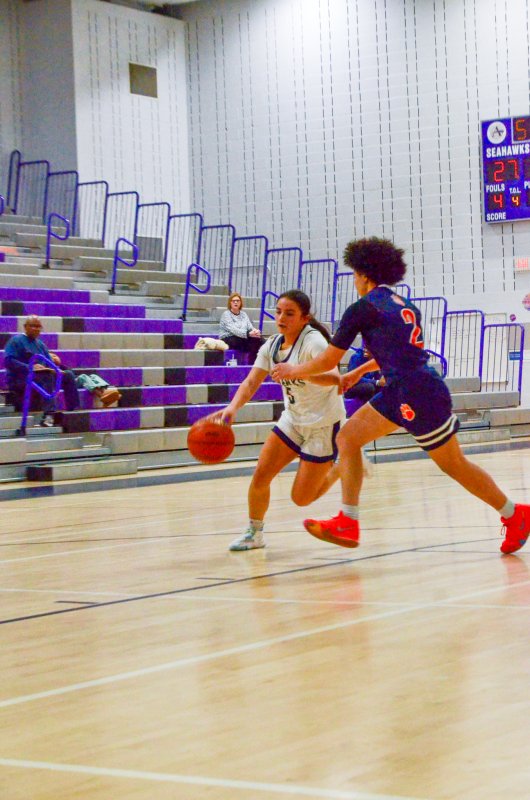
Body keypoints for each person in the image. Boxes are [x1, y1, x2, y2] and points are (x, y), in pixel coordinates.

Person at [271, 237, 530, 556]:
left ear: (364, 274)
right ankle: (348, 521)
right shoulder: (404, 305)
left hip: (415, 392)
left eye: (354, 275)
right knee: (348, 438)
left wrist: (293, 370)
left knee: (453, 464)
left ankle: (515, 514)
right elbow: (398, 351)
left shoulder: (362, 309)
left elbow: (327, 360)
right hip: (406, 386)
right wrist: (358, 372)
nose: (354, 281)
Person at [211, 289, 346, 551]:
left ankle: (343, 465)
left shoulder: (314, 342)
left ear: (304, 318)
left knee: (301, 498)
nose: (281, 318)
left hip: (323, 423)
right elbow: (251, 381)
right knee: (261, 475)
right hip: (293, 420)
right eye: (279, 312)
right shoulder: (272, 345)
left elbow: (336, 380)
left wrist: (296, 372)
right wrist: (232, 408)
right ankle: (255, 533)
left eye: (289, 313)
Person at [4, 315, 121, 426]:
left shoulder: (40, 344)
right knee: (46, 375)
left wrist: (57, 370)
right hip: (21, 379)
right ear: (25, 327)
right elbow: (9, 361)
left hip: (41, 378)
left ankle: (73, 410)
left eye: (38, 326)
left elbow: (49, 363)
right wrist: (29, 367)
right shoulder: (16, 341)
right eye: (32, 326)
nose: (36, 329)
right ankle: (49, 415)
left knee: (68, 375)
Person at [219, 292, 265, 364]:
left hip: (242, 337)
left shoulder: (244, 314)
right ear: (230, 303)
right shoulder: (226, 314)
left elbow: (250, 327)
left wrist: (255, 332)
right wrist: (248, 334)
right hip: (228, 338)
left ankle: (253, 363)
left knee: (259, 339)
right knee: (250, 342)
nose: (235, 302)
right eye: (233, 301)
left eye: (238, 301)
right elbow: (234, 330)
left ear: (240, 303)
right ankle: (251, 362)